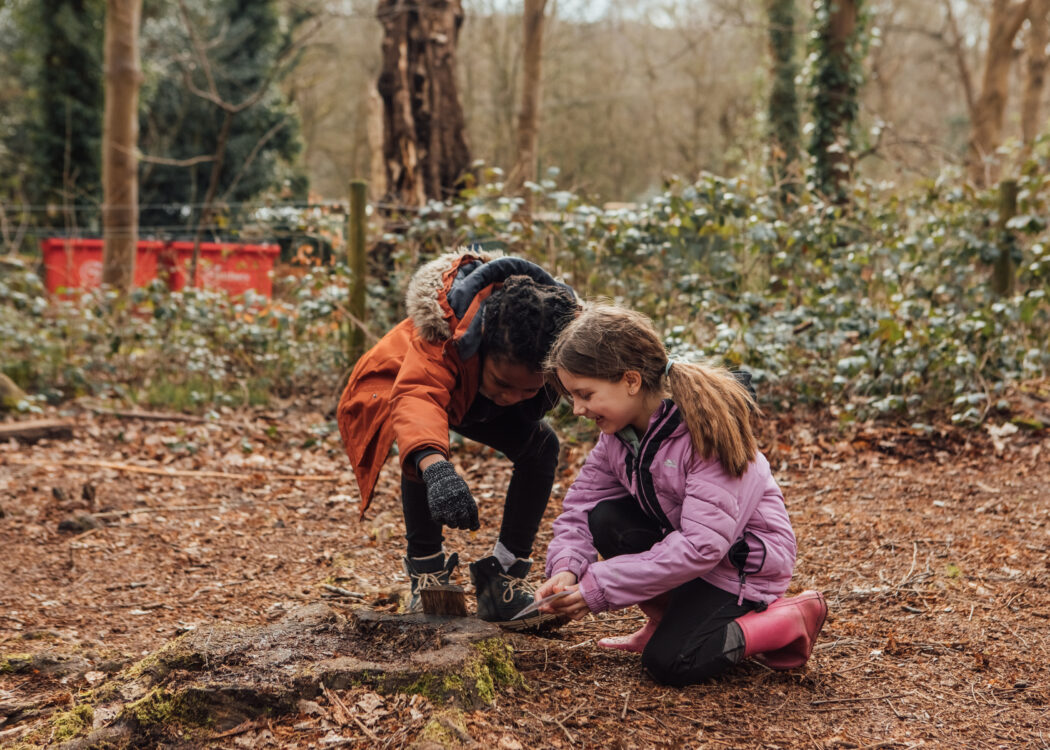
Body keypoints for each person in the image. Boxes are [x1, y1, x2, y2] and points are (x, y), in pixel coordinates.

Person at [533, 305, 827, 685]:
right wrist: (567, 569)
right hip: (694, 561)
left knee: (671, 663)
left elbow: (703, 545)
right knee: (605, 517)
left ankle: (787, 619)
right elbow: (581, 508)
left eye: (585, 393)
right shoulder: (617, 440)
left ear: (631, 381)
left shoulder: (706, 434)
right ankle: (665, 620)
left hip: (737, 571)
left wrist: (597, 587)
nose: (577, 409)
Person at [337, 249, 580, 628]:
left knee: (542, 446)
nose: (511, 397)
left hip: (470, 397)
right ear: (481, 344)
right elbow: (418, 397)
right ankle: (428, 575)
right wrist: (437, 471)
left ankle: (501, 578)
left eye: (528, 391)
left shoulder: (559, 340)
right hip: (398, 383)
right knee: (424, 451)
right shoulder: (445, 329)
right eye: (503, 383)